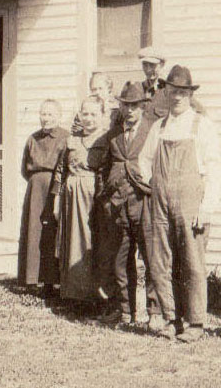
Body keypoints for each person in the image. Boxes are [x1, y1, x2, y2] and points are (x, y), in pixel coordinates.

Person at [138, 65, 221, 343]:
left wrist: (206, 207)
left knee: (192, 262)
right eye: (173, 91)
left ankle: (195, 322)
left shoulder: (201, 124)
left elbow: (214, 167)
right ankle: (171, 318)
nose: (177, 97)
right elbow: (143, 161)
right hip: (160, 202)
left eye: (182, 92)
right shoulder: (159, 126)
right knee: (162, 260)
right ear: (167, 93)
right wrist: (155, 183)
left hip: (190, 203)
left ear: (190, 94)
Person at [97, 82, 160, 326]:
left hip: (143, 202)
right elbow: (103, 166)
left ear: (142, 107)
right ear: (121, 107)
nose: (130, 111)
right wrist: (106, 196)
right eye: (126, 106)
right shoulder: (113, 134)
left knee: (151, 258)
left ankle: (154, 313)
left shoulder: (152, 130)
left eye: (135, 106)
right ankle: (126, 312)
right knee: (121, 261)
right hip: (118, 205)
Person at [50, 94, 109, 308]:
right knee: (70, 242)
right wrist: (56, 200)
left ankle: (94, 298)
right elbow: (60, 171)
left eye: (94, 114)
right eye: (85, 113)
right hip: (69, 197)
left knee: (90, 242)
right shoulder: (71, 140)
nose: (89, 118)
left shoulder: (106, 140)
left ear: (102, 116)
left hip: (93, 198)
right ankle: (72, 295)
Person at [19, 100, 69, 295]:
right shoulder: (32, 138)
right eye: (43, 114)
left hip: (54, 189)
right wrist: (36, 181)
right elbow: (24, 168)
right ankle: (32, 280)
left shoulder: (65, 137)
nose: (45, 118)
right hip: (35, 190)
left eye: (49, 114)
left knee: (52, 232)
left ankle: (53, 281)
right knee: (34, 231)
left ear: (58, 116)